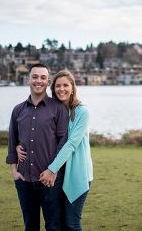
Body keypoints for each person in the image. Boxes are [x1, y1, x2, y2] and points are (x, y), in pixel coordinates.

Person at [17, 70, 93, 231]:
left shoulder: (82, 112)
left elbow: (71, 144)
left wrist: (52, 169)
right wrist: (19, 145)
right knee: (59, 223)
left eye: (66, 85)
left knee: (71, 224)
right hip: (58, 176)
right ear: (53, 88)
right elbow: (39, 135)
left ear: (73, 88)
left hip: (76, 174)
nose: (61, 89)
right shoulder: (56, 110)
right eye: (58, 86)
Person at [6, 63, 69, 231]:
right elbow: (12, 141)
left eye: (43, 77)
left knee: (54, 227)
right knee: (30, 227)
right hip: (24, 180)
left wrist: (53, 170)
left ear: (48, 81)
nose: (38, 81)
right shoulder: (18, 110)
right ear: (28, 80)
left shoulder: (59, 108)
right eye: (35, 77)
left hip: (51, 180)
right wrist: (14, 172)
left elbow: (64, 141)